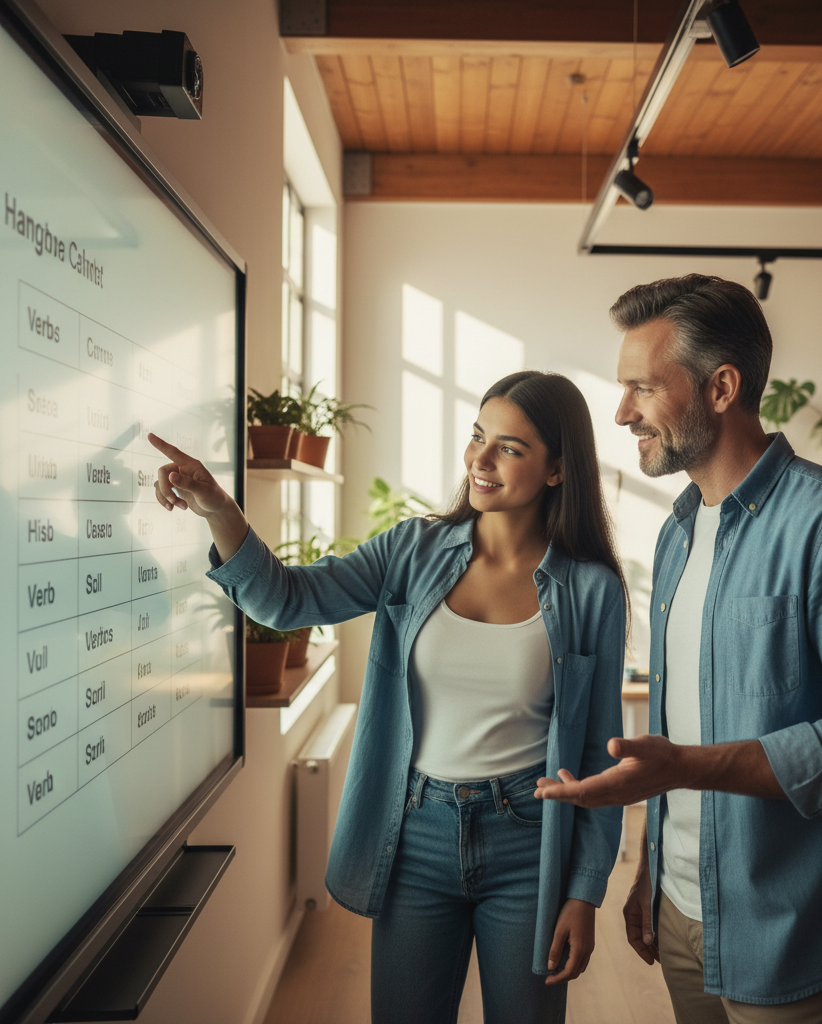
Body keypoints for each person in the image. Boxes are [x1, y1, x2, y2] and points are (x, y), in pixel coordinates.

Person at [149, 370, 627, 1024]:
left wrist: (585, 892)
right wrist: (216, 508)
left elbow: (601, 757)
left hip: (530, 842)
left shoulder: (592, 590)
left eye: (509, 448)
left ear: (557, 469)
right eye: (478, 436)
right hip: (415, 836)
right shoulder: (411, 550)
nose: (480, 459)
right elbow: (286, 600)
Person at [535, 274, 822, 1023]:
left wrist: (688, 767)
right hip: (682, 908)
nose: (621, 413)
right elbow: (679, 727)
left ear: (721, 387)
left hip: (797, 924)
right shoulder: (678, 532)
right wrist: (653, 869)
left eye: (643, 388)